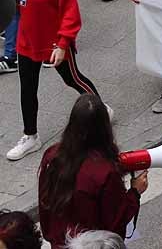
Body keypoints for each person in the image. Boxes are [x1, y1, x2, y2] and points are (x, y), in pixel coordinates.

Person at [6, 0, 104, 161]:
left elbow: (71, 13)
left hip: (55, 45)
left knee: (74, 79)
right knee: (27, 91)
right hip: (27, 44)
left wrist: (62, 44)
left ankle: (100, 112)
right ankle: (30, 136)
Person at [37, 96, 135, 248]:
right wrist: (135, 192)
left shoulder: (51, 155)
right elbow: (116, 222)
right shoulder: (105, 172)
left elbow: (45, 207)